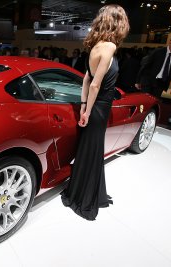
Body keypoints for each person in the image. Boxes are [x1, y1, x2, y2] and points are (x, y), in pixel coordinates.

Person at [60, 4, 130, 220]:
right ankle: (84, 198)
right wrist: (88, 112)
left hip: (93, 107)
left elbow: (86, 78)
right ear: (118, 22)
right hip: (99, 108)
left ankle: (83, 192)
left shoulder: (96, 46)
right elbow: (94, 85)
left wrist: (83, 107)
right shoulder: (109, 46)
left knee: (89, 150)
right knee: (93, 150)